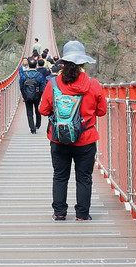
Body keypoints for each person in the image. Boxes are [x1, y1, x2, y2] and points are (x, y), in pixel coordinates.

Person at [39, 40, 107, 221]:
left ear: (63, 62)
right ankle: (82, 214)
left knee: (60, 176)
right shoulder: (93, 84)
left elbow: (43, 110)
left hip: (59, 138)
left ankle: (59, 213)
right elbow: (102, 111)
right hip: (85, 138)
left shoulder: (53, 84)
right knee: (84, 178)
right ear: (83, 63)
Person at [18, 58, 47, 134]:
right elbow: (42, 86)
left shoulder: (24, 75)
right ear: (36, 65)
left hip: (27, 95)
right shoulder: (39, 75)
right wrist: (40, 95)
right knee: (37, 110)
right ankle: (38, 125)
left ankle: (32, 129)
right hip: (37, 96)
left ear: (28, 65)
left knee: (29, 112)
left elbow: (21, 86)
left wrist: (24, 95)